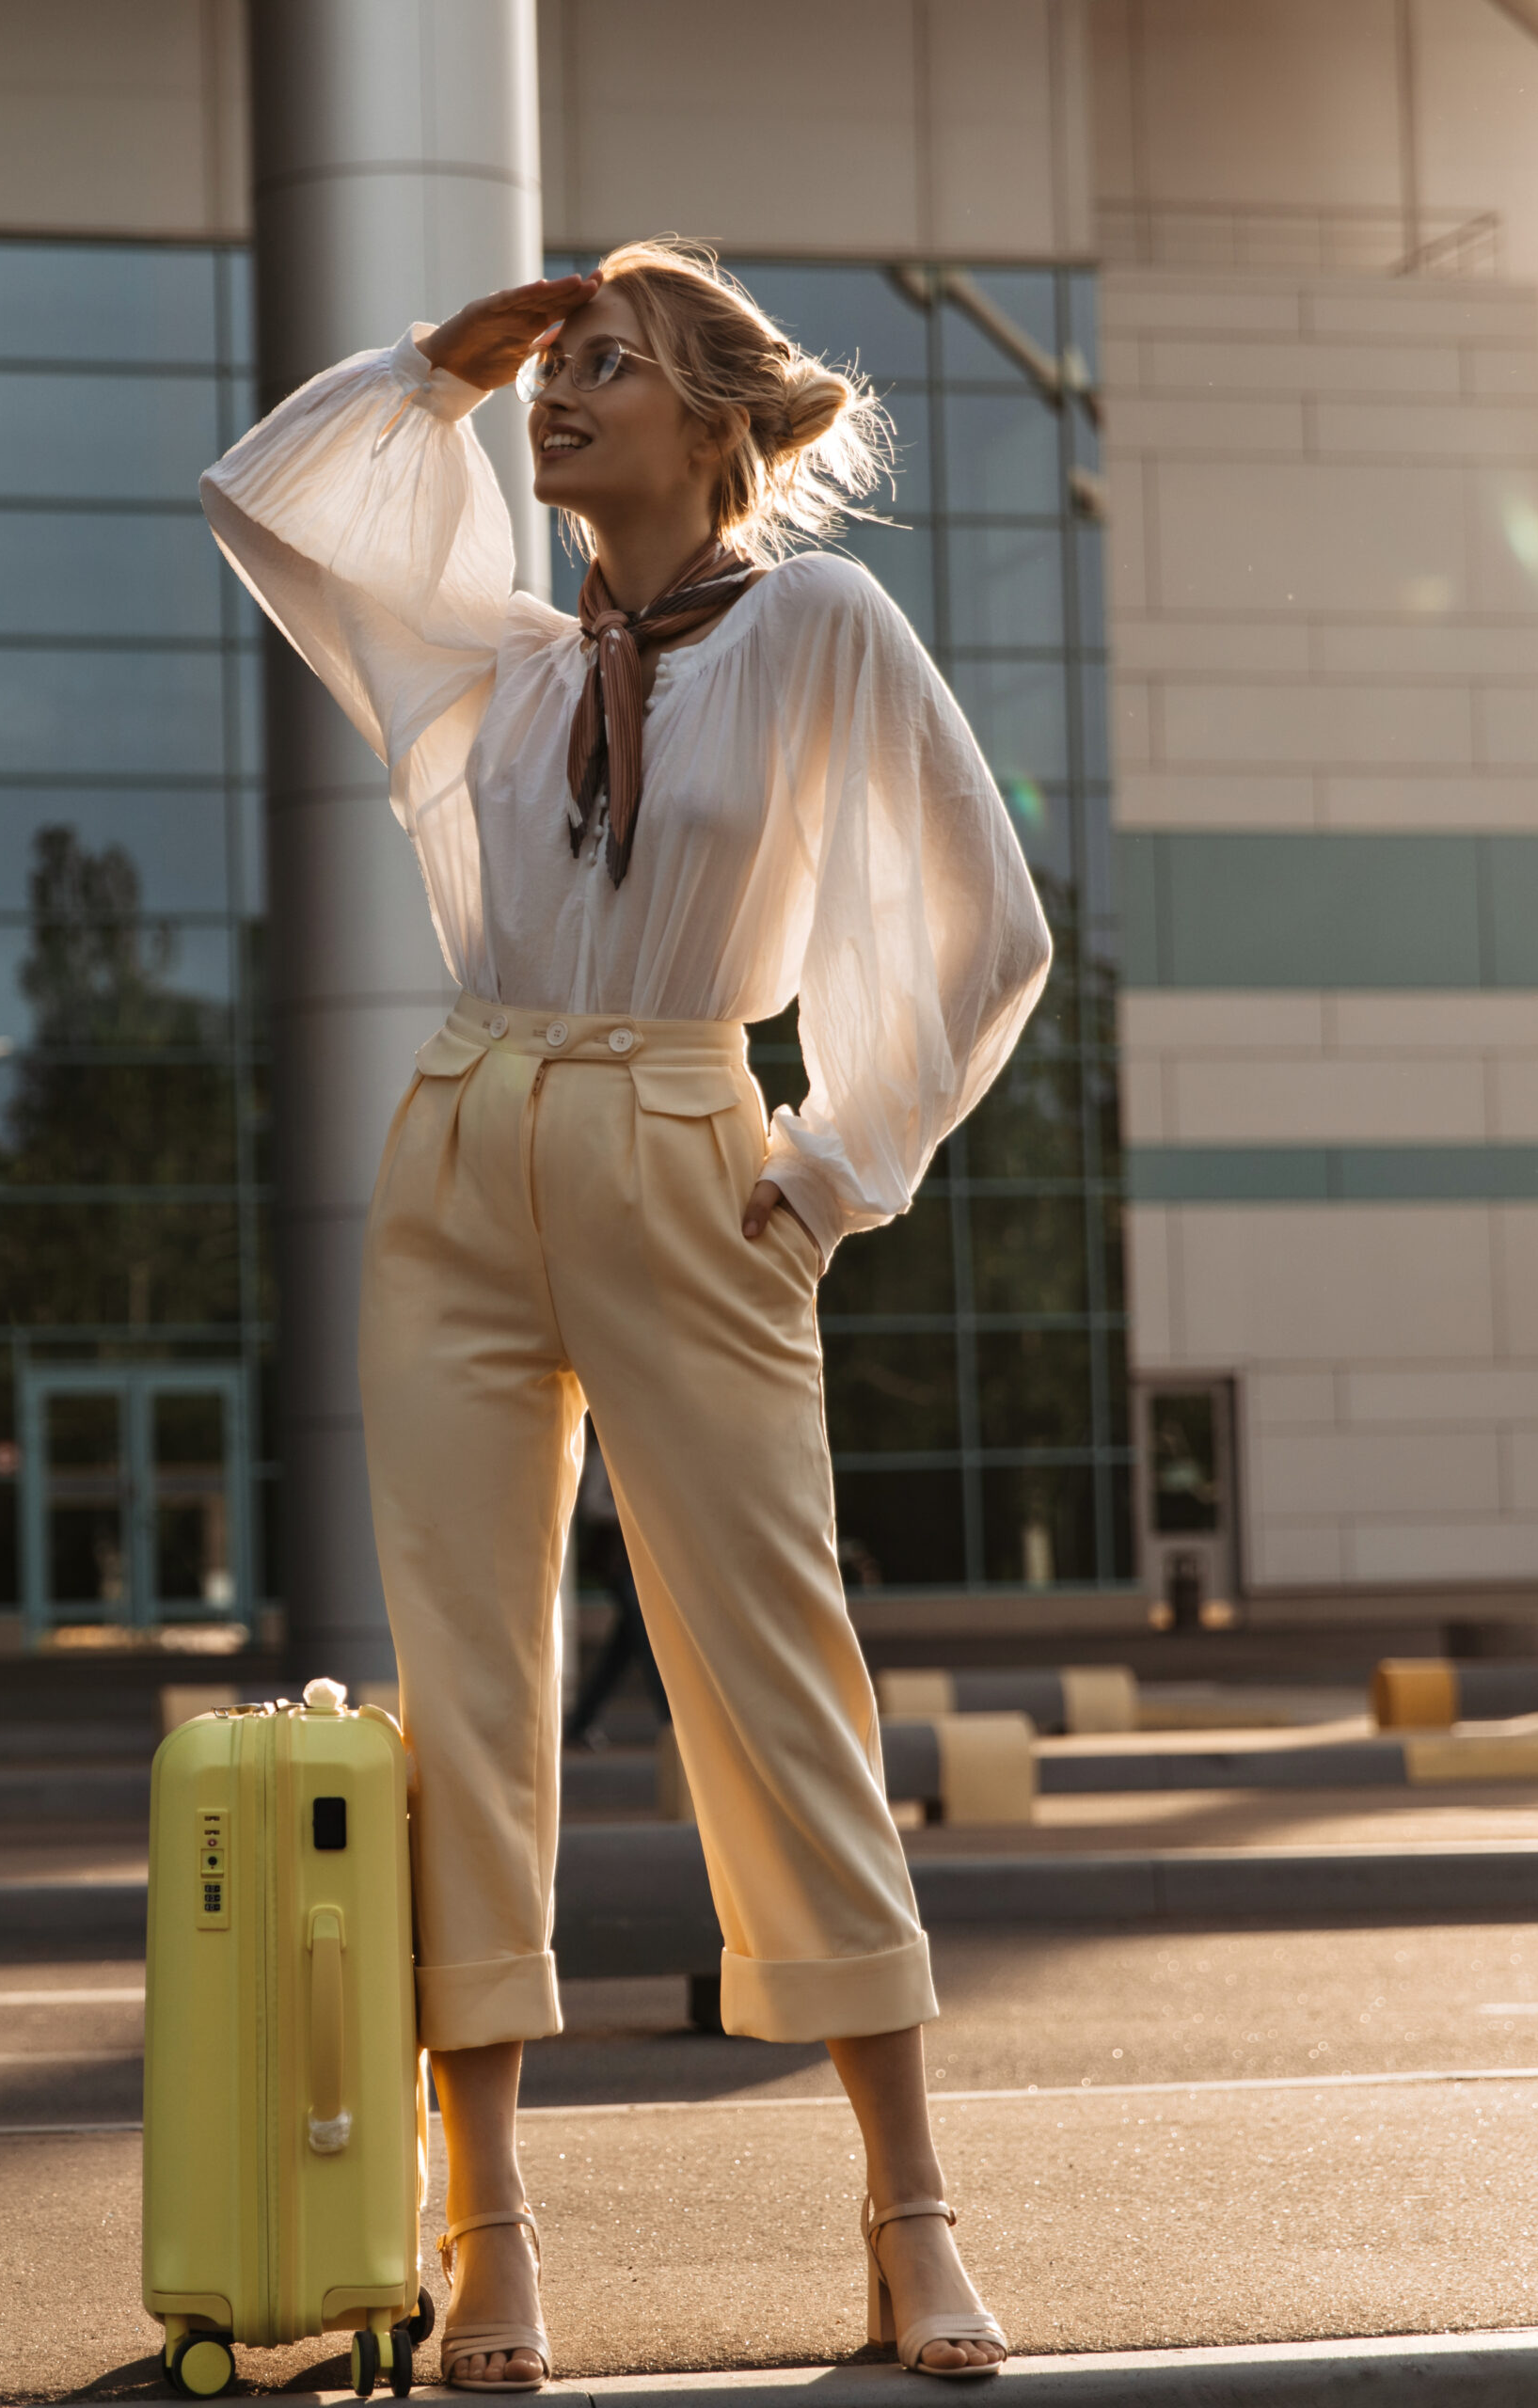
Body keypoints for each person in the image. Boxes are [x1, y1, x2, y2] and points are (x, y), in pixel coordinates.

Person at [201, 239, 1052, 2386]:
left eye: (602, 369)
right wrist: (441, 355)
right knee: (463, 1702)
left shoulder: (813, 626)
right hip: (463, 1150)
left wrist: (833, 1169)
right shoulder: (484, 650)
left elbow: (984, 914)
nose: (556, 398)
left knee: (774, 1676)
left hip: (689, 1147)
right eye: (549, 371)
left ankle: (909, 2209)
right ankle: (488, 2238)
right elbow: (264, 500)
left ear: (708, 422)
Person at [561, 1427, 663, 1749]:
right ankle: (673, 1722)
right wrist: (633, 1512)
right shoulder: (604, 1452)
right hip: (620, 1564)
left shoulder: (639, 1447)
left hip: (637, 1562)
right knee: (649, 1638)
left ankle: (579, 1723)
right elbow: (592, 1504)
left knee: (623, 1648)